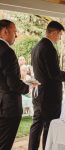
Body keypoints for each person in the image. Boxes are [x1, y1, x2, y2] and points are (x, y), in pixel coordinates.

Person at [28, 21, 65, 150]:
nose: (59, 38)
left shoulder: (36, 47)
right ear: (53, 33)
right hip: (49, 97)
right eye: (59, 35)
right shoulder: (48, 48)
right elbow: (53, 73)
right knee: (49, 127)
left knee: (36, 126)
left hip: (38, 94)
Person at [0, 19, 30, 150]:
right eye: (14, 32)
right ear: (5, 31)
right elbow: (13, 84)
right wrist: (28, 87)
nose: (16, 35)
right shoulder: (7, 52)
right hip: (9, 108)